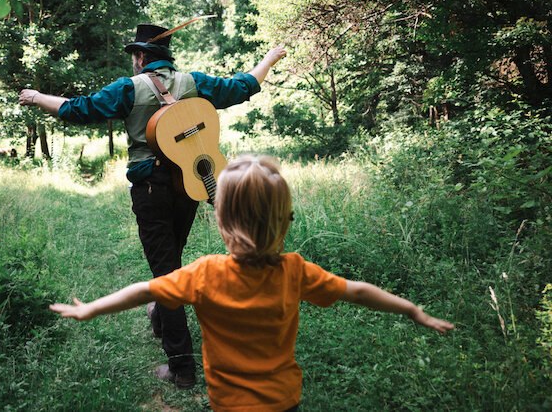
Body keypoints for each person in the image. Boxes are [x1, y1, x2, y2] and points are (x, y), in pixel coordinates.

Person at [49, 155, 455, 412]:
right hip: (283, 400)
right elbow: (358, 291)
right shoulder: (295, 271)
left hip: (230, 404)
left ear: (222, 221)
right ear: (285, 221)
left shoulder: (205, 273)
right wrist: (411, 309)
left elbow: (147, 290)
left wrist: (91, 308)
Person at [20, 23, 287, 388]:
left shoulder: (129, 88)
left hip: (151, 188)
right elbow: (243, 86)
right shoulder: (194, 83)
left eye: (134, 56)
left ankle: (182, 368)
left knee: (167, 276)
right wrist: (269, 58)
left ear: (140, 56)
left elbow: (76, 110)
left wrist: (36, 97)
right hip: (191, 182)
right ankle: (161, 321)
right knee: (171, 260)